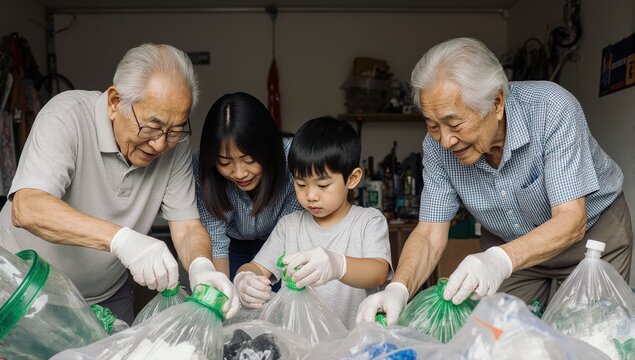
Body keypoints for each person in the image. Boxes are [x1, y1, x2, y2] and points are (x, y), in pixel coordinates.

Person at [357, 37, 632, 325]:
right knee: (498, 337)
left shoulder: (552, 108)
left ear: (496, 102)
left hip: (589, 241)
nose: (446, 140)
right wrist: (399, 288)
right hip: (508, 246)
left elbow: (571, 219)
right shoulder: (437, 147)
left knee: (587, 337)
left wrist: (499, 260)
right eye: (433, 125)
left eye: (454, 124)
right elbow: (428, 233)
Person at [0, 43, 239, 324]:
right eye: (151, 126)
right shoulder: (67, 116)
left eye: (175, 130)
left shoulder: (176, 149)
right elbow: (28, 208)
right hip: (21, 288)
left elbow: (186, 227)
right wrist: (121, 240)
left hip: (106, 296)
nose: (161, 144)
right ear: (115, 102)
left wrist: (201, 266)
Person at [233, 116, 392, 329]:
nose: (311, 196)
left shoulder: (368, 221)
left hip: (352, 344)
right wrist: (245, 278)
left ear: (352, 179)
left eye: (323, 185)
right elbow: (258, 267)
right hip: (301, 345)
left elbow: (378, 272)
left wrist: (338, 266)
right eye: (300, 184)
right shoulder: (289, 226)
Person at [193, 92, 302, 280]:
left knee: (270, 299)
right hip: (231, 245)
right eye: (225, 163)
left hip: (280, 242)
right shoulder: (201, 167)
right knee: (227, 297)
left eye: (249, 160)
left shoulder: (292, 158)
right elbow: (215, 239)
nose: (240, 173)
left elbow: (288, 229)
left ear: (268, 148)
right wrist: (221, 293)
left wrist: (258, 271)